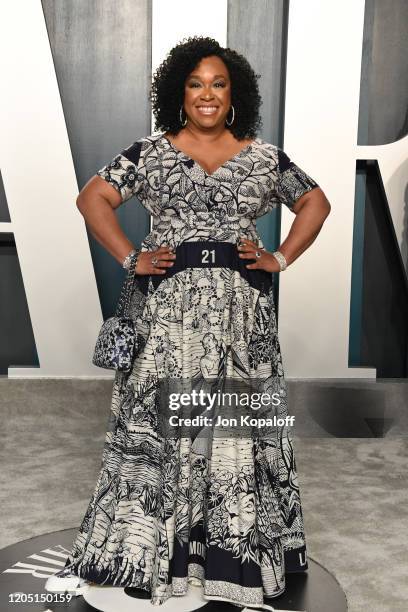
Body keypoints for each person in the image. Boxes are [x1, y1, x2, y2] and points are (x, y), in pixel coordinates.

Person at [46, 35, 330, 610]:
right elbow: (91, 199)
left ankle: (232, 553)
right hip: (167, 313)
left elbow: (316, 203)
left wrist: (280, 258)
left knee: (235, 425)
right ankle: (151, 552)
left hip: (240, 314)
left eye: (218, 84)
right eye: (196, 83)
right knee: (159, 427)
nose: (207, 94)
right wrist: (132, 256)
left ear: (234, 96)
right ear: (180, 92)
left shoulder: (263, 156)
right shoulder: (150, 154)